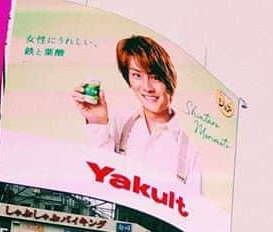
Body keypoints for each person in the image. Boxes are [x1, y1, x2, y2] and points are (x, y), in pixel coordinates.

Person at [72, 36, 201, 191]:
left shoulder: (190, 147)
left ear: (169, 79)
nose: (147, 87)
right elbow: (99, 177)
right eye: (137, 75)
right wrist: (97, 121)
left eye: (155, 77)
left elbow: (195, 210)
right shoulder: (121, 124)